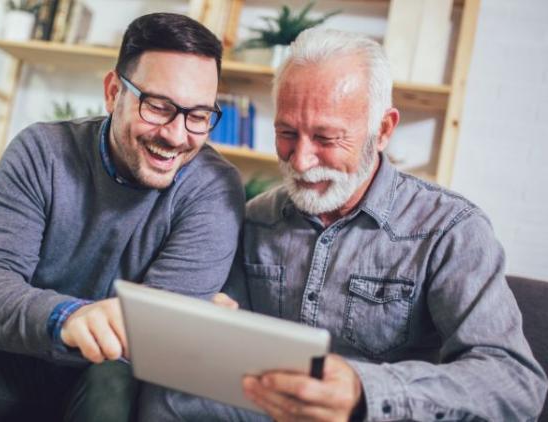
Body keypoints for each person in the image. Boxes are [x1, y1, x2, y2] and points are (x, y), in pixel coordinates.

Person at [0, 13, 245, 422]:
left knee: (116, 376)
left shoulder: (213, 189)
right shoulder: (42, 151)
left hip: (104, 379)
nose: (176, 135)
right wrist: (65, 318)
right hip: (6, 364)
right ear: (112, 92)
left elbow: (156, 336)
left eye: (198, 116)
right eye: (158, 107)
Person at [139, 27, 547, 421]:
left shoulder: (451, 230)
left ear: (382, 130)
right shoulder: (256, 218)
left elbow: (515, 382)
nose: (300, 161)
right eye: (286, 133)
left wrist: (363, 391)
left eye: (327, 138)